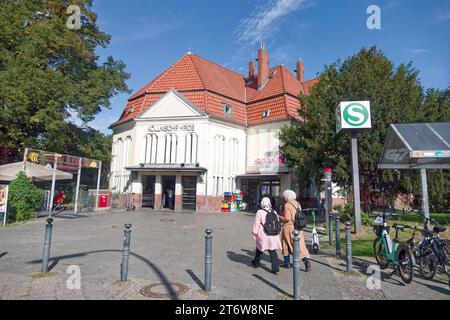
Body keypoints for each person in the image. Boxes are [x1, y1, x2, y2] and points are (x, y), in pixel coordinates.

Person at [279, 190, 311, 271]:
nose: (284, 197)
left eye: (284, 196)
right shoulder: (297, 203)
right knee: (300, 246)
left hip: (289, 228)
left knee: (285, 244)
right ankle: (306, 261)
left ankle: (287, 263)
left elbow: (287, 218)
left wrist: (279, 217)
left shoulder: (287, 205)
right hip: (298, 227)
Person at [251, 197, 282, 274]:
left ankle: (256, 262)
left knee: (260, 248)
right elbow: (277, 222)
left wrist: (255, 233)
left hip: (264, 234)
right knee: (272, 250)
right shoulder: (274, 211)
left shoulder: (260, 212)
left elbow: (256, 223)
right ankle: (275, 268)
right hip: (273, 234)